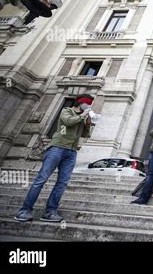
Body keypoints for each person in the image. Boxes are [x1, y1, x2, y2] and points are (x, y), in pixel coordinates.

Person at [14, 94, 94, 222]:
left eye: (90, 104)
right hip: (57, 148)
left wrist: (88, 122)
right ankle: (24, 211)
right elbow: (68, 122)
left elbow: (84, 134)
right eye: (87, 103)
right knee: (41, 179)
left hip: (71, 151)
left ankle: (50, 212)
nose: (89, 105)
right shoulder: (66, 111)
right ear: (81, 103)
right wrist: (82, 115)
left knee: (62, 183)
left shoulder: (82, 117)